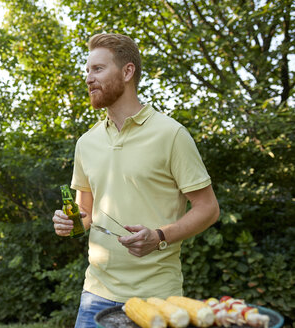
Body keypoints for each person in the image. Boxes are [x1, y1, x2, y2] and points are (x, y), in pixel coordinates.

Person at [52, 33, 220, 327]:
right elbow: (85, 216)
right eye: (87, 71)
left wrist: (159, 237)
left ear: (127, 72)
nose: (89, 78)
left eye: (98, 69)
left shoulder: (171, 134)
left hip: (157, 299)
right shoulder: (86, 143)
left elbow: (208, 208)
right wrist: (69, 223)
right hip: (95, 295)